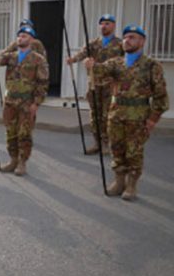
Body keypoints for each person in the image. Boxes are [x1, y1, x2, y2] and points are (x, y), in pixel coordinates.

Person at [87, 24, 168, 201]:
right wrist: (92, 65)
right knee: (117, 149)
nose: (127, 40)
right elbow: (100, 72)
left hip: (138, 116)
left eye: (132, 37)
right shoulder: (116, 62)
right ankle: (119, 181)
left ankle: (132, 185)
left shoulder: (151, 65)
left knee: (134, 152)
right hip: (116, 115)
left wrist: (153, 119)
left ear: (142, 41)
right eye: (125, 37)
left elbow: (161, 96)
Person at [0, 26, 49, 176]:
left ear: (31, 39)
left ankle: (22, 162)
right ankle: (13, 160)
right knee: (10, 132)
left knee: (24, 134)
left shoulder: (38, 59)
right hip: (10, 101)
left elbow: (43, 83)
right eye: (19, 36)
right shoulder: (11, 56)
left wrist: (36, 103)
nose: (20, 38)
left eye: (24, 36)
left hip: (27, 103)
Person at [67, 14, 124, 154]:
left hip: (110, 85)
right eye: (102, 23)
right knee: (95, 115)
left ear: (114, 25)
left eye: (107, 23)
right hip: (94, 84)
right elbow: (82, 53)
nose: (104, 26)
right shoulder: (93, 42)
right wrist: (73, 59)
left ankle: (107, 143)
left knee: (107, 115)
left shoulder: (120, 44)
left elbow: (125, 62)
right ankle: (97, 142)